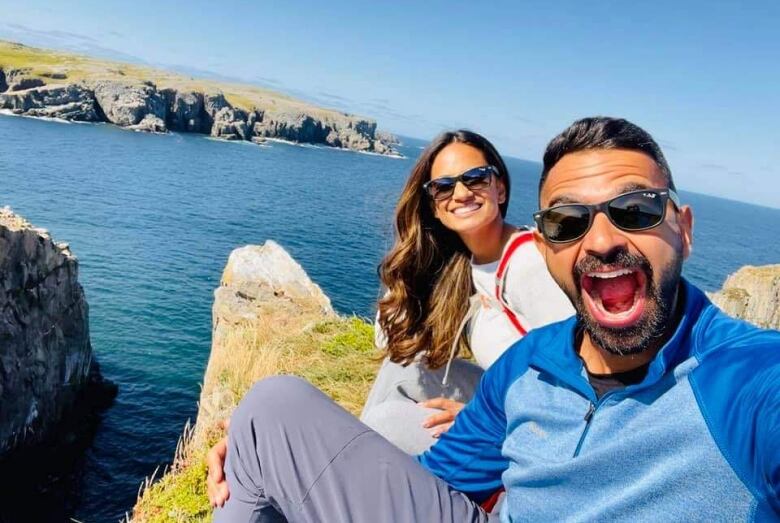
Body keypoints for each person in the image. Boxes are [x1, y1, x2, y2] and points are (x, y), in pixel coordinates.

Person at [212, 117, 780, 522]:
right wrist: (276, 452)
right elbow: (438, 481)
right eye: (568, 222)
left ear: (683, 226)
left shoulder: (744, 380)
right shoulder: (523, 367)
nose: (602, 240)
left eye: (636, 210)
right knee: (272, 408)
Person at [206, 129, 573, 504]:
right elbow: (389, 342)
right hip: (507, 400)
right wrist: (413, 271)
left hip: (533, 436)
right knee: (406, 367)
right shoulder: (467, 264)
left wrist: (486, 420)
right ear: (432, 205)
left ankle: (328, 482)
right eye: (443, 187)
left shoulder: (527, 263)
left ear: (501, 188)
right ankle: (327, 466)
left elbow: (583, 377)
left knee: (386, 423)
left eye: (475, 178)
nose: (461, 193)